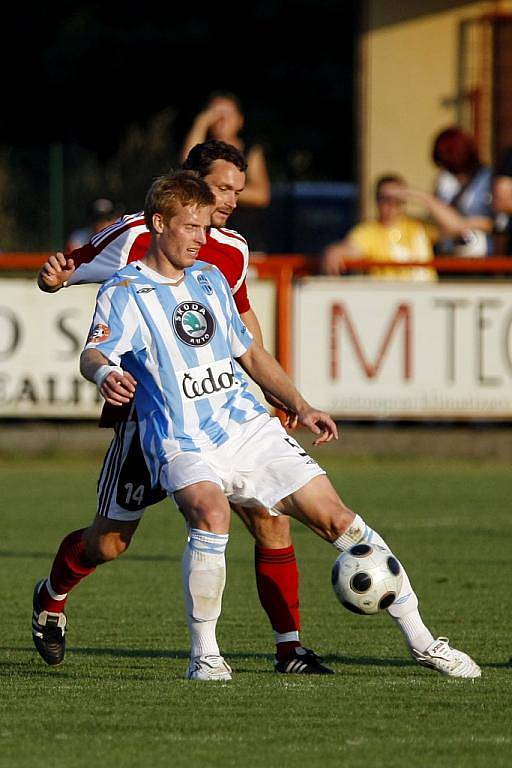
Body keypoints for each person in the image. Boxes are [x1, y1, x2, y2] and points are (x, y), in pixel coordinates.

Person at [76, 169, 479, 681]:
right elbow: (94, 351)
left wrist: (300, 404)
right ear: (159, 224)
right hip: (181, 437)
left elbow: (249, 354)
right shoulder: (126, 290)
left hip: (247, 428)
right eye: (191, 227)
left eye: (205, 228)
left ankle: (423, 641)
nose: (202, 239)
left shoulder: (211, 280)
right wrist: (107, 372)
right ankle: (206, 655)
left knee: (340, 521)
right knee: (211, 513)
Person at [34, 140, 332, 676]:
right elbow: (62, 273)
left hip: (221, 419)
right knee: (109, 543)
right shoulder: (133, 235)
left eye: (238, 191)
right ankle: (52, 595)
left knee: (271, 519)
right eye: (221, 188)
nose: (231, 201)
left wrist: (269, 395)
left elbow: (243, 328)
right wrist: (56, 277)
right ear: (191, 185)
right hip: (151, 420)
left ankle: (289, 649)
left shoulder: (232, 250)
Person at [180, 92, 271, 251]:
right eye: (216, 114)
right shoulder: (202, 153)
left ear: (240, 120)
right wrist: (200, 123)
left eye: (228, 114)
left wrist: (220, 190)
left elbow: (261, 195)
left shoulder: (251, 151)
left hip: (246, 236)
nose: (222, 119)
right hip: (206, 237)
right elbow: (187, 169)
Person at [321, 175, 437, 280]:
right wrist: (333, 251)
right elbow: (349, 248)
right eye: (385, 198)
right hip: (390, 299)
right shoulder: (369, 231)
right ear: (377, 201)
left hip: (426, 297)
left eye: (398, 198)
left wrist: (424, 198)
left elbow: (454, 228)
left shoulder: (420, 226)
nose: (392, 204)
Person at [430, 126, 494, 257]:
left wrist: (459, 224)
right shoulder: (444, 181)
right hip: (449, 254)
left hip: (482, 255)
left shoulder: (486, 179)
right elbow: (437, 221)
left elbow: (494, 222)